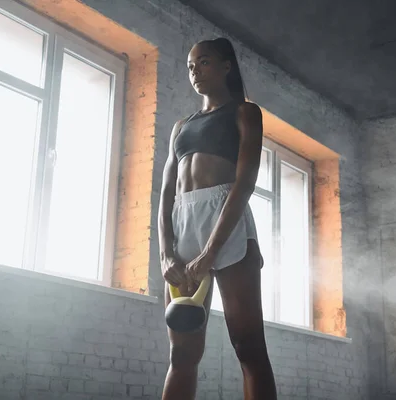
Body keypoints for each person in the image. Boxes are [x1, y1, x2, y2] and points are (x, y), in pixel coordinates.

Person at [157, 37, 277, 400]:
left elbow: (245, 183)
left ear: (226, 66)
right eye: (191, 66)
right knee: (182, 351)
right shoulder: (180, 126)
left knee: (248, 345)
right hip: (184, 224)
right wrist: (166, 253)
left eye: (203, 62)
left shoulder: (245, 112)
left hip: (226, 219)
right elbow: (166, 193)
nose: (195, 71)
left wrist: (211, 250)